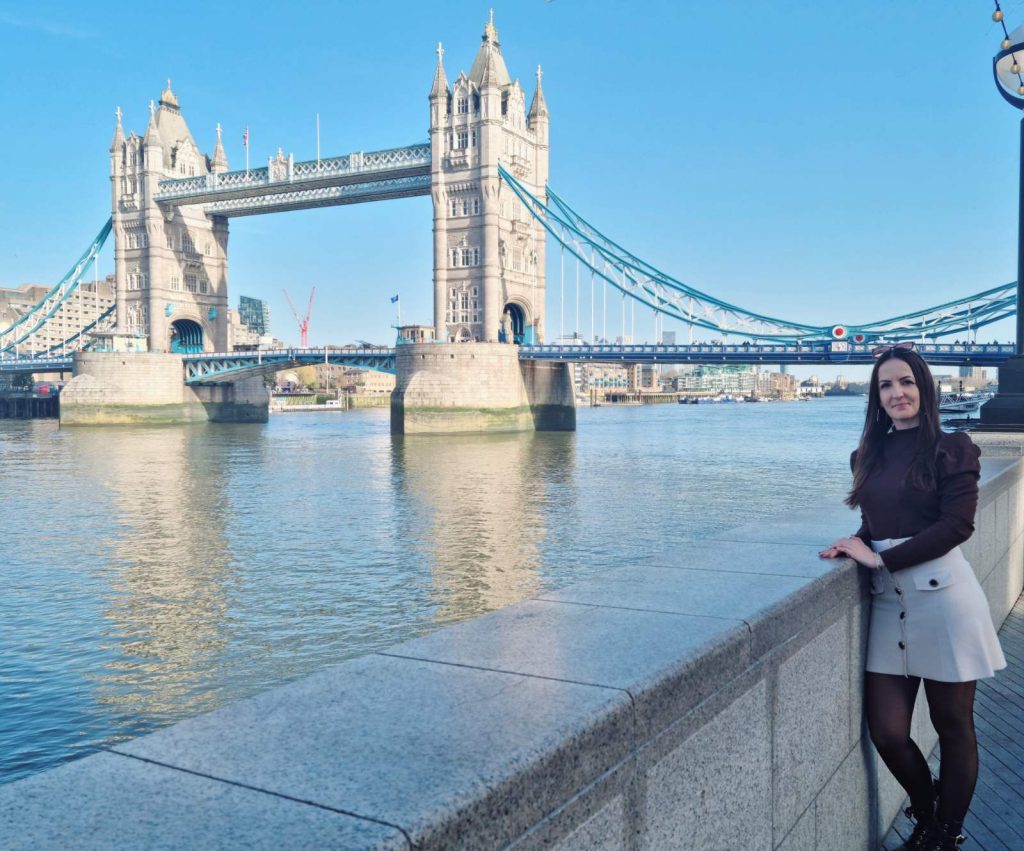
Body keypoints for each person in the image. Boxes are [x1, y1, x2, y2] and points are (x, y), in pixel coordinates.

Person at [819, 342, 1005, 851]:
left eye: (906, 382)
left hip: (945, 600)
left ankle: (945, 834)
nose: (897, 392)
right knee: (889, 732)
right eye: (885, 385)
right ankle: (926, 814)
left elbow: (957, 525)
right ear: (875, 398)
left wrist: (880, 559)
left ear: (925, 388)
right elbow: (880, 518)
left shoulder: (955, 447)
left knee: (953, 726)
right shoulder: (866, 455)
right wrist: (853, 542)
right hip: (888, 604)